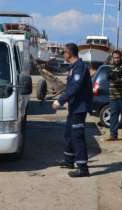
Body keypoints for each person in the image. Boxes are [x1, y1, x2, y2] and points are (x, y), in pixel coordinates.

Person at [52, 43, 93, 178]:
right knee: (69, 133)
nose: (63, 54)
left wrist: (60, 101)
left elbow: (75, 87)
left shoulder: (80, 67)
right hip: (74, 106)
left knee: (77, 137)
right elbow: (70, 87)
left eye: (63, 52)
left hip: (80, 108)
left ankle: (83, 168)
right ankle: (69, 160)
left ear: (69, 53)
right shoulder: (73, 67)